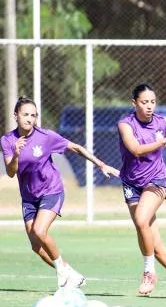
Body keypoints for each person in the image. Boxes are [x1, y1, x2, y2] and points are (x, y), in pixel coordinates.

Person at [1, 97, 120, 288]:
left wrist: (101, 164)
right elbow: (10, 172)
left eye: (33, 115)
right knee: (36, 246)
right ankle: (69, 272)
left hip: (51, 190)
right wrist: (16, 154)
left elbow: (76, 148)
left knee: (40, 231)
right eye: (25, 114)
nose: (30, 119)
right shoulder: (7, 140)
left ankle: (62, 273)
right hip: (29, 197)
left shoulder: (45, 136)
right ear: (16, 115)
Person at [118, 83, 166, 297]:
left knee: (141, 221)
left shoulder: (161, 121)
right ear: (134, 103)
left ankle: (149, 273)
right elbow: (135, 150)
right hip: (131, 183)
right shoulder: (125, 124)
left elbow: (164, 134)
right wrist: (165, 141)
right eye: (144, 102)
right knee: (153, 241)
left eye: (152, 101)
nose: (149, 106)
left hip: (156, 180)